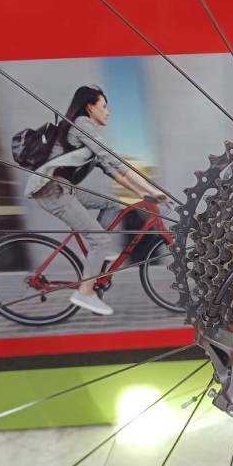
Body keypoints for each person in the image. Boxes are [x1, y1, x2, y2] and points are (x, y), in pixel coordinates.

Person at [25, 85, 167, 316]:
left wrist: (143, 193)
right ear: (90, 107)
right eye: (104, 106)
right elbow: (115, 159)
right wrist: (152, 188)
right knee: (101, 241)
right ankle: (85, 292)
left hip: (64, 188)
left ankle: (96, 250)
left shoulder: (85, 133)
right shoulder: (81, 124)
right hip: (52, 191)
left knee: (112, 203)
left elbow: (113, 171)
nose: (108, 112)